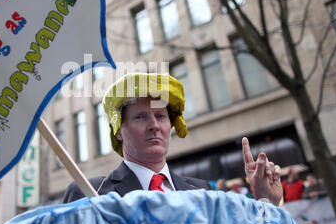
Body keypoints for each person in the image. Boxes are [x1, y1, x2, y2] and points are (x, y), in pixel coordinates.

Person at [62, 73, 283, 207]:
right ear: (119, 130)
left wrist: (266, 201)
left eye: (160, 116)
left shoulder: (204, 192)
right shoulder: (89, 192)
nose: (154, 125)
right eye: (140, 117)